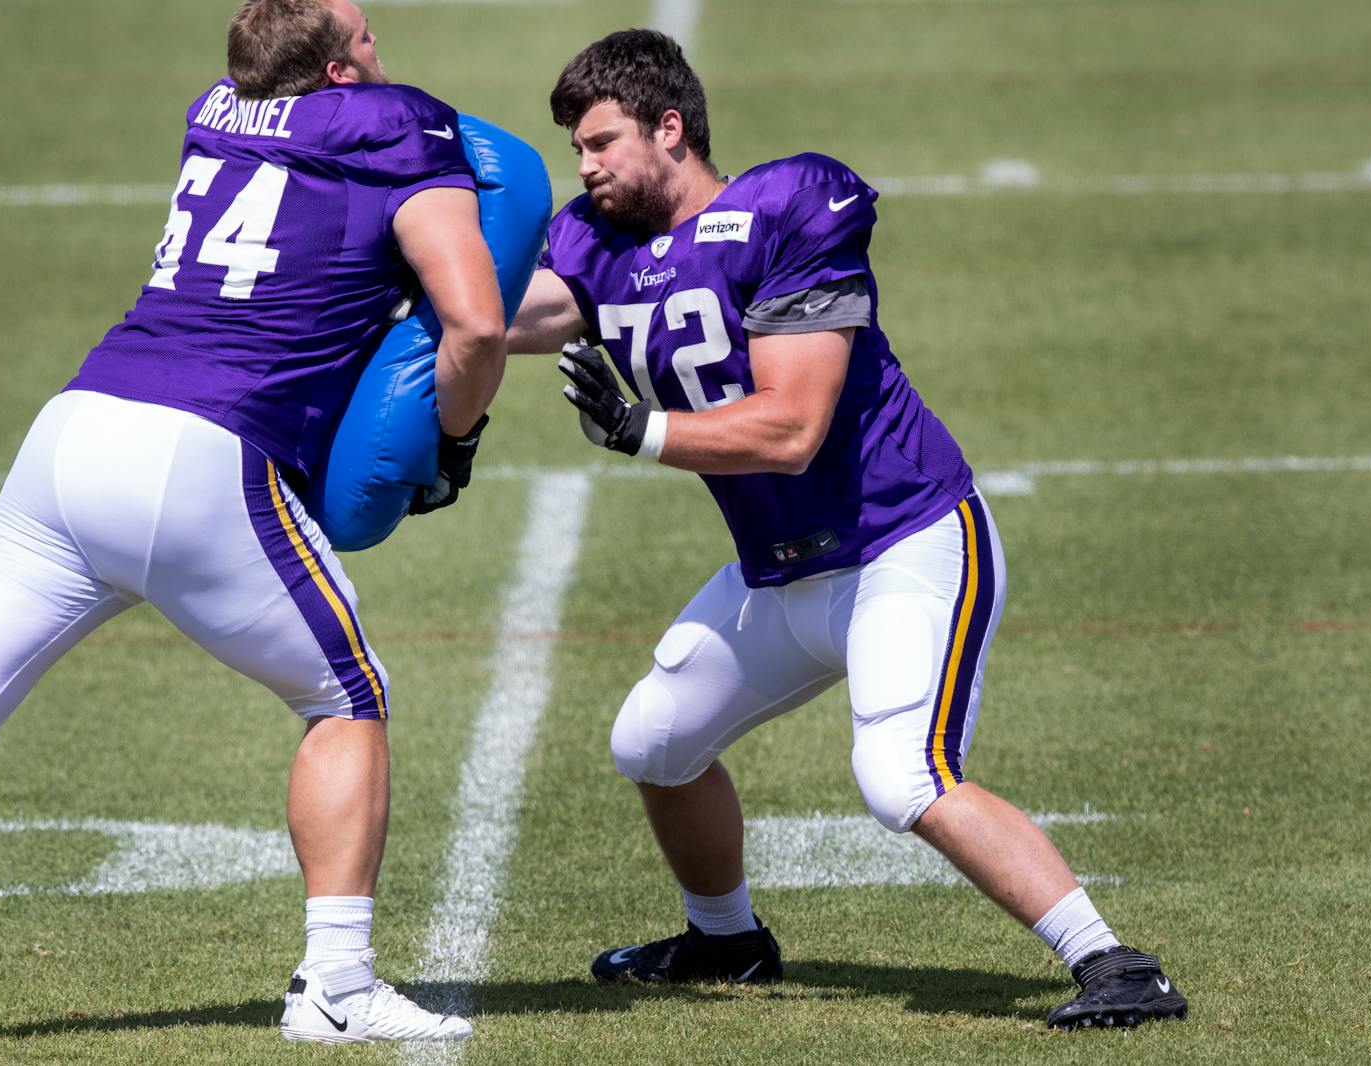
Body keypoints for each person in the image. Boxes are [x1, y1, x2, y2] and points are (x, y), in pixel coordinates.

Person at [506, 29, 1188, 1030]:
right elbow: (499, 318)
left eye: (602, 141)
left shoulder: (786, 209)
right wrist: (396, 289)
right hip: (780, 573)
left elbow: (789, 429)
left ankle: (1116, 963)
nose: (586, 165)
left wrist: (641, 428)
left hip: (901, 541)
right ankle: (727, 940)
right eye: (575, 149)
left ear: (669, 127)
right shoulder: (594, 245)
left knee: (899, 773)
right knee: (651, 740)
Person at [0, 0, 504, 1044]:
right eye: (362, 38)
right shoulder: (396, 126)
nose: (379, 45)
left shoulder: (213, 109)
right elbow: (477, 320)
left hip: (72, 435)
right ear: (336, 74)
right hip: (202, 453)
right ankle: (337, 985)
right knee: (345, 691)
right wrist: (450, 439)